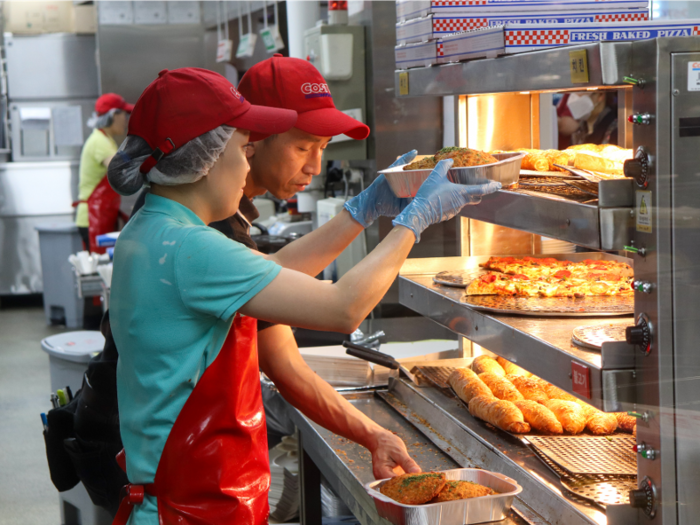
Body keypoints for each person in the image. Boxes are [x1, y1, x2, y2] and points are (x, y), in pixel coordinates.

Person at [107, 67, 499, 525]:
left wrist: (362, 210)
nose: (247, 164)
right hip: (191, 510)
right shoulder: (192, 249)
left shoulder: (153, 228)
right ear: (206, 159)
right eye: (241, 148)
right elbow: (342, 308)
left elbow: (271, 276)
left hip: (184, 499)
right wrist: (414, 223)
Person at [75, 93, 134, 252]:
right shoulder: (100, 142)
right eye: (125, 114)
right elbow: (121, 172)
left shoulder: (105, 139)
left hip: (100, 214)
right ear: (114, 115)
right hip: (93, 217)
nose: (126, 120)